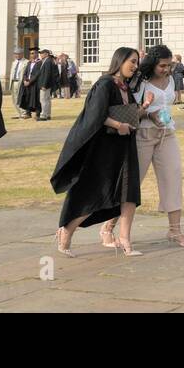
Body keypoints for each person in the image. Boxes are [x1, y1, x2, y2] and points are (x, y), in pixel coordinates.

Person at [99, 45, 184, 249]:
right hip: (142, 135)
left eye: (169, 65)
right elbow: (127, 108)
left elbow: (166, 104)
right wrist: (148, 113)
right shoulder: (139, 81)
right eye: (162, 65)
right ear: (153, 64)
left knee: (173, 176)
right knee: (131, 185)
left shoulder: (170, 79)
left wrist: (161, 115)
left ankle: (175, 230)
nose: (166, 69)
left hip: (166, 133)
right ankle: (108, 227)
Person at [51, 47, 144, 257]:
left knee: (129, 192)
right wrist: (118, 125)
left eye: (137, 62)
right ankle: (66, 231)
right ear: (119, 61)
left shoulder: (125, 87)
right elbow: (96, 115)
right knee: (96, 193)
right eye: (132, 61)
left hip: (125, 146)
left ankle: (126, 241)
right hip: (104, 148)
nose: (135, 66)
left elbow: (129, 113)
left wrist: (144, 107)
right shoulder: (104, 84)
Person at [34, 48, 59, 121]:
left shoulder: (47, 61)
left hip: (45, 85)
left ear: (46, 54)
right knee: (47, 100)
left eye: (42, 53)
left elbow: (47, 74)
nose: (40, 54)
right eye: (40, 53)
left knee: (43, 100)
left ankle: (43, 115)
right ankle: (47, 114)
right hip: (46, 84)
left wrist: (44, 85)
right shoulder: (47, 61)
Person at [18, 48, 42, 120]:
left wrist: (30, 81)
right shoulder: (29, 62)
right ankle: (28, 113)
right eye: (30, 53)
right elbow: (25, 73)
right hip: (27, 83)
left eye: (33, 53)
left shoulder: (39, 63)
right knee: (27, 98)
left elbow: (37, 74)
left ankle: (38, 113)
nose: (31, 55)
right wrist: (25, 80)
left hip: (35, 84)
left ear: (36, 54)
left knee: (36, 99)